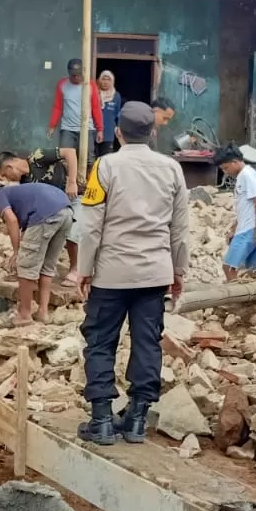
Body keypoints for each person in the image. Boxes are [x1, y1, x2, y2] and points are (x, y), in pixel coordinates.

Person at [69, 102, 189, 445]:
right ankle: (136, 420)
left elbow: (91, 227)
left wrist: (84, 270)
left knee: (100, 342)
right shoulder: (171, 169)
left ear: (118, 133)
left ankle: (103, 421)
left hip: (111, 274)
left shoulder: (106, 166)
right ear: (153, 132)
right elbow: (180, 230)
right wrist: (178, 271)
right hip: (154, 275)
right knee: (148, 342)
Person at [0, 179, 75, 324]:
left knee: (25, 266)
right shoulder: (22, 196)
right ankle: (43, 312)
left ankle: (24, 314)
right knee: (47, 266)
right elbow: (28, 234)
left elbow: (12, 220)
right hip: (66, 212)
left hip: (46, 213)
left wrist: (17, 252)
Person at [47, 57, 102, 198]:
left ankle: (89, 187)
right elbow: (58, 107)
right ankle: (66, 186)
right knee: (64, 158)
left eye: (78, 74)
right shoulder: (62, 85)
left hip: (87, 128)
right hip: (68, 128)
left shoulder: (90, 85)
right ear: (69, 73)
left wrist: (100, 128)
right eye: (73, 75)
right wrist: (52, 126)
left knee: (89, 159)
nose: (76, 77)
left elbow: (96, 107)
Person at [214, 145, 256, 280]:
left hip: (250, 230)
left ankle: (235, 300)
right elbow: (244, 207)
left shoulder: (247, 175)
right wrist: (234, 229)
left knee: (228, 267)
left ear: (235, 162)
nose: (226, 172)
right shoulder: (244, 175)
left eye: (226, 168)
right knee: (254, 270)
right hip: (253, 228)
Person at [95, 70, 122, 157]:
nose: (105, 82)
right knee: (91, 159)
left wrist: (118, 127)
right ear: (99, 80)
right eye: (103, 79)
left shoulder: (116, 96)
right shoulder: (94, 94)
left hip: (108, 133)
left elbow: (117, 114)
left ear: (112, 81)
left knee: (106, 158)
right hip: (93, 131)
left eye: (108, 80)